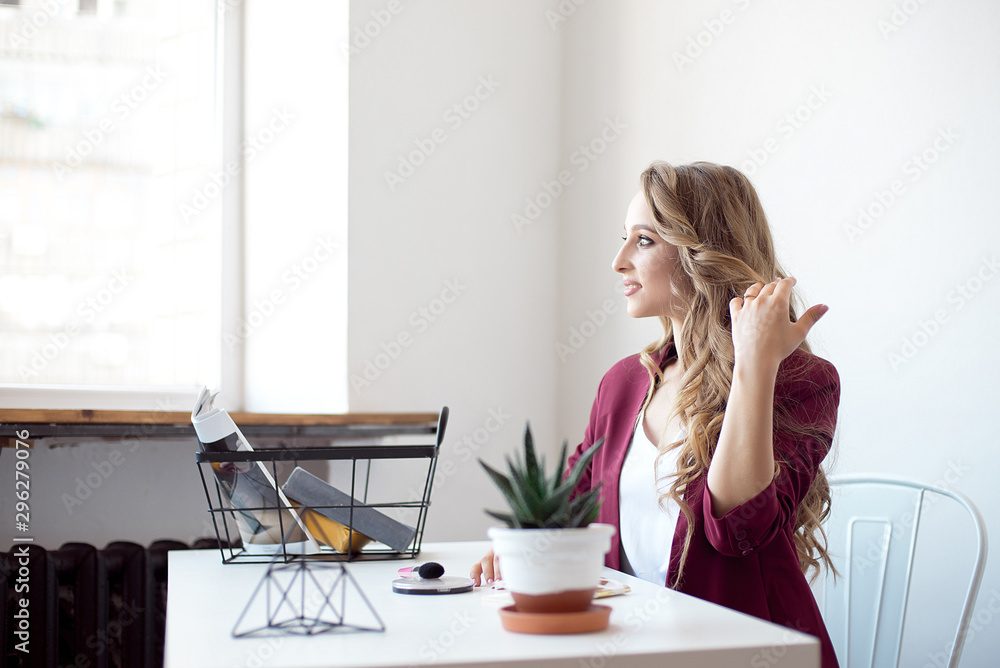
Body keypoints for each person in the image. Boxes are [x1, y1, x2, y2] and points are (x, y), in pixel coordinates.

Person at [471, 161, 841, 668]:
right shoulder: (623, 383)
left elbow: (737, 529)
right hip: (632, 649)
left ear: (702, 254)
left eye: (643, 241)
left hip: (745, 652)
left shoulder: (801, 381)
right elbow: (574, 506)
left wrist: (754, 363)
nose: (618, 261)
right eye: (623, 238)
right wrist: (527, 549)